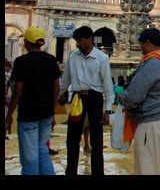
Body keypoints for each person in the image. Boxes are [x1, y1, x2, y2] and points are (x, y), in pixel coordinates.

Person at [120, 28, 160, 175]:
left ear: (147, 44)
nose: (141, 50)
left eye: (140, 45)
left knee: (148, 167)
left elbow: (134, 96)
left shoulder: (152, 62)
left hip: (152, 122)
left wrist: (124, 99)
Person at [5, 26, 61, 175]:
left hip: (29, 114)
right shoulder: (51, 60)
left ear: (27, 43)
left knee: (29, 156)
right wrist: (52, 110)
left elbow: (17, 92)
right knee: (42, 148)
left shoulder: (21, 61)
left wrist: (9, 115)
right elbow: (57, 88)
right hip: (46, 113)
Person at [59, 26, 114, 175]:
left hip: (95, 99)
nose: (78, 44)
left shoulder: (102, 58)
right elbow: (66, 80)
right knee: (72, 137)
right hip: (77, 98)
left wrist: (108, 109)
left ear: (90, 39)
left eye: (81, 41)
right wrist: (61, 93)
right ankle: (71, 171)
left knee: (97, 138)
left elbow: (107, 84)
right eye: (77, 41)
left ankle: (98, 172)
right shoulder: (73, 57)